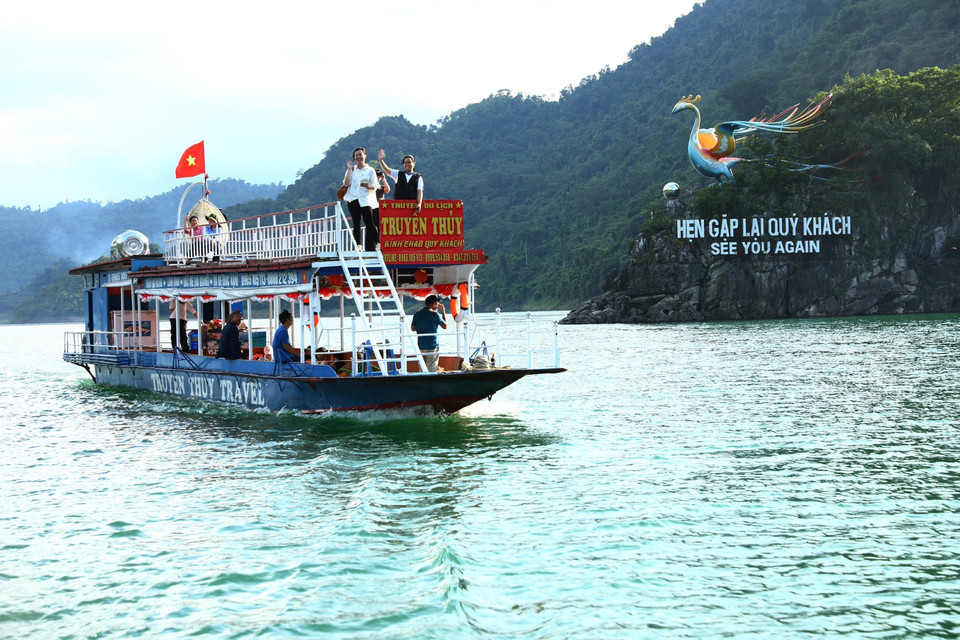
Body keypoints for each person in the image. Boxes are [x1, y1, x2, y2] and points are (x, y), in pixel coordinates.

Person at [343, 147, 379, 251]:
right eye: (356, 155)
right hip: (353, 199)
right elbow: (346, 183)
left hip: (366, 199)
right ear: (354, 158)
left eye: (360, 154)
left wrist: (367, 186)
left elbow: (375, 185)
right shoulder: (352, 169)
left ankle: (378, 242)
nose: (359, 157)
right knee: (356, 222)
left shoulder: (370, 170)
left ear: (365, 156)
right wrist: (349, 169)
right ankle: (358, 245)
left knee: (369, 222)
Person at [378, 149, 423, 213]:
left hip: (412, 207)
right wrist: (381, 160)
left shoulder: (418, 177)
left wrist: (419, 203)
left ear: (414, 163)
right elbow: (387, 170)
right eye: (405, 163)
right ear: (403, 165)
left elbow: (419, 192)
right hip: (398, 206)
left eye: (409, 162)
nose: (407, 164)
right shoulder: (398, 174)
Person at [411, 294, 447, 372]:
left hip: (420, 346)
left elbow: (413, 328)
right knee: (432, 370)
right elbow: (445, 326)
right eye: (437, 304)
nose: (437, 306)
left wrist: (422, 327)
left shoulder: (417, 314)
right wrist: (443, 312)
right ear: (434, 304)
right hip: (432, 346)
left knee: (422, 369)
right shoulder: (435, 314)